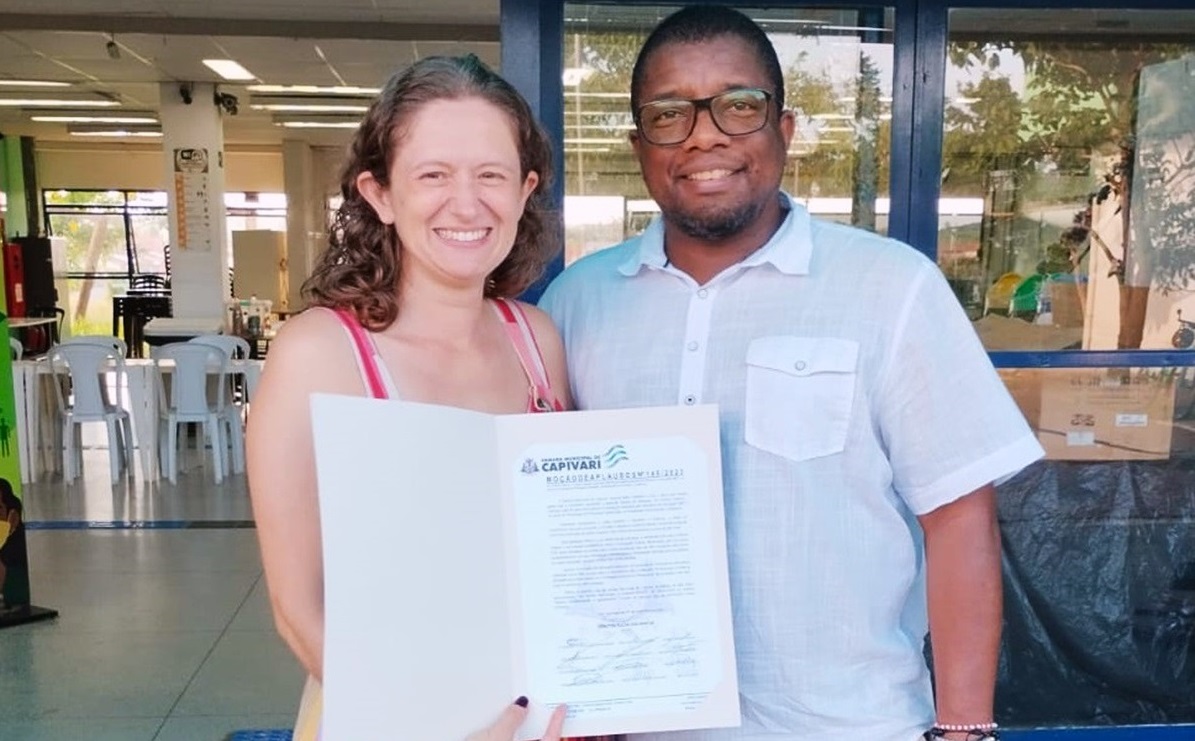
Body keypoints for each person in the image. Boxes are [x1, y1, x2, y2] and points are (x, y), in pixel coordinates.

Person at [539, 6, 1044, 741]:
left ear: (784, 129)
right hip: (634, 728)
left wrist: (964, 731)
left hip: (851, 726)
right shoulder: (576, 303)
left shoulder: (890, 288)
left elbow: (958, 519)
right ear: (637, 145)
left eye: (738, 106)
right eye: (668, 114)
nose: (704, 135)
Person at [246, 54, 570, 741]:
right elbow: (298, 609)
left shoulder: (536, 341)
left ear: (525, 191)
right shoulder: (319, 353)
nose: (467, 203)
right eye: (433, 175)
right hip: (391, 719)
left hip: (537, 716)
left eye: (491, 175)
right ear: (381, 194)